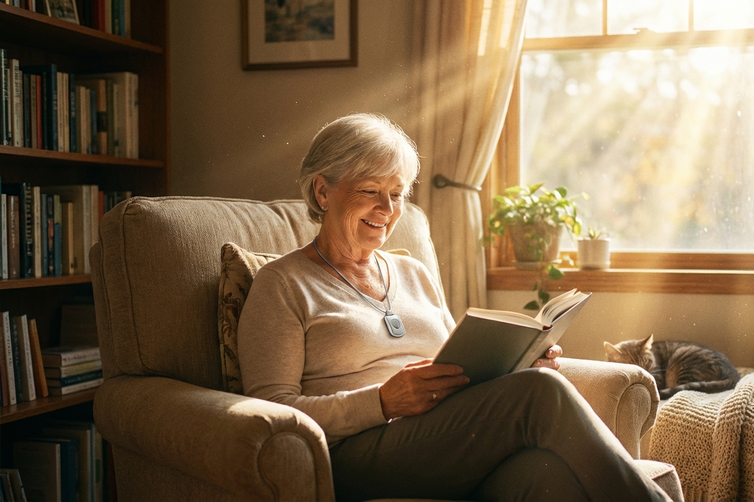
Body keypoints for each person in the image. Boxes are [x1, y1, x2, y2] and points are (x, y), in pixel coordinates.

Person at [238, 113, 672, 502]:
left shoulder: (412, 273)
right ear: (323, 191)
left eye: (397, 194)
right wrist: (382, 401)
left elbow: (456, 367)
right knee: (543, 394)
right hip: (357, 453)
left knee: (549, 477)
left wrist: (518, 366)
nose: (388, 211)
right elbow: (270, 409)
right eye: (371, 191)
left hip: (443, 439)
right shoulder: (283, 283)